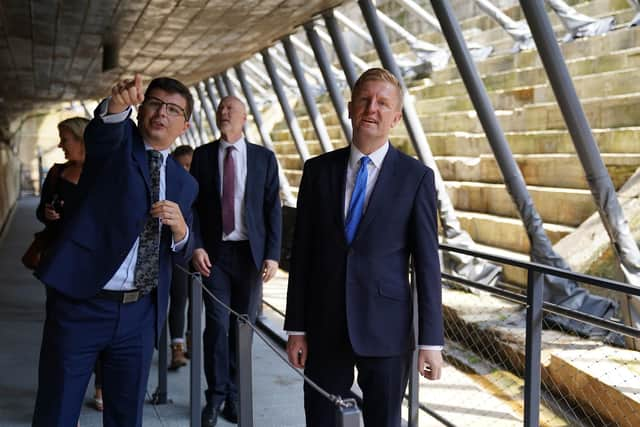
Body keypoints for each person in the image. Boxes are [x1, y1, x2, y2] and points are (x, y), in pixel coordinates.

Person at [32, 74, 198, 427]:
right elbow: (103, 134)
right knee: (56, 412)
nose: (161, 114)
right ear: (141, 111)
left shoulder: (185, 183)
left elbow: (184, 250)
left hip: (139, 315)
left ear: (184, 125)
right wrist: (116, 106)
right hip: (82, 304)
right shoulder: (116, 149)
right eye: (154, 103)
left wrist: (182, 231)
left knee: (126, 418)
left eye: (172, 110)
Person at [284, 68, 444, 427]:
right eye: (365, 100)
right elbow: (303, 254)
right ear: (351, 107)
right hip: (324, 326)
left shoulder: (416, 177)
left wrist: (431, 340)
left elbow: (427, 264)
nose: (373, 108)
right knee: (321, 419)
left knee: (384, 422)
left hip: (387, 329)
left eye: (383, 103)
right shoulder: (317, 171)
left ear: (396, 117)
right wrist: (296, 326)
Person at [190, 95, 282, 427]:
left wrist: (273, 254)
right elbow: (193, 208)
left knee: (244, 327)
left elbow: (273, 208)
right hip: (214, 255)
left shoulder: (263, 158)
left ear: (244, 118)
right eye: (220, 107)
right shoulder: (201, 156)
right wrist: (196, 246)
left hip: (250, 257)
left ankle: (235, 395)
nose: (224, 111)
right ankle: (214, 396)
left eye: (231, 108)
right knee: (215, 326)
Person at [36, 117, 105, 412]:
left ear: (82, 139)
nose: (61, 145)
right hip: (61, 266)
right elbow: (41, 210)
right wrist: (47, 214)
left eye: (65, 139)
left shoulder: (104, 174)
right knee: (63, 338)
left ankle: (101, 387)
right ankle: (68, 402)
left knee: (100, 334)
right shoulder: (56, 173)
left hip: (96, 267)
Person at [168, 145, 194, 370]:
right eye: (182, 165)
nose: (186, 170)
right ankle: (176, 347)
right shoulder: (171, 187)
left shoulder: (199, 187)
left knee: (198, 301)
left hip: (199, 251)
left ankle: (192, 341)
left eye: (190, 165)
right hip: (177, 253)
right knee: (179, 298)